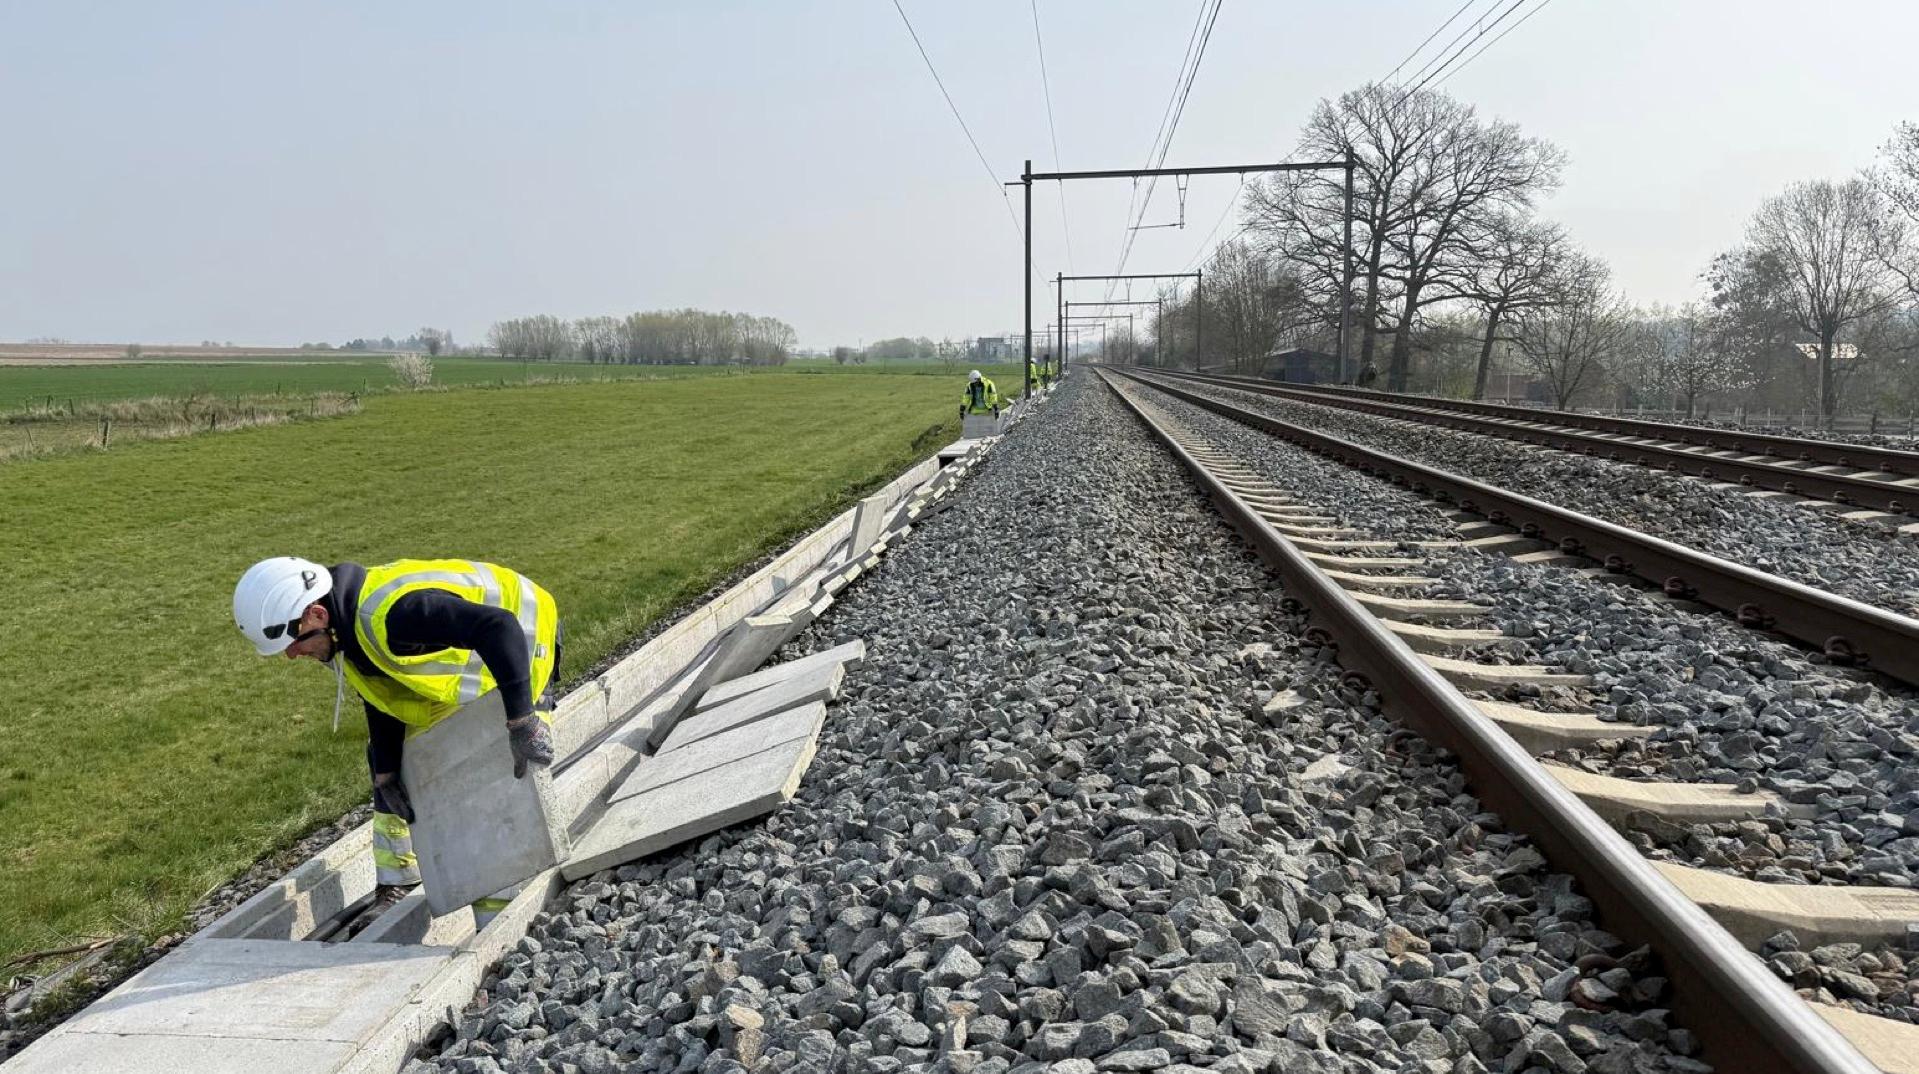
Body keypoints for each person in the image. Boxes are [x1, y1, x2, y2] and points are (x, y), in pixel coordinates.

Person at [233, 556, 561, 928]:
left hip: (523, 644)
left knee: (493, 769)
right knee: (395, 762)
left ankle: (506, 920)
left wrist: (521, 720)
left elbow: (500, 627)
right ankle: (398, 882)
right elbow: (382, 695)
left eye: (294, 643)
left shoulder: (395, 616)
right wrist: (386, 773)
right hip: (467, 657)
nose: (292, 655)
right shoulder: (346, 630)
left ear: (317, 614)